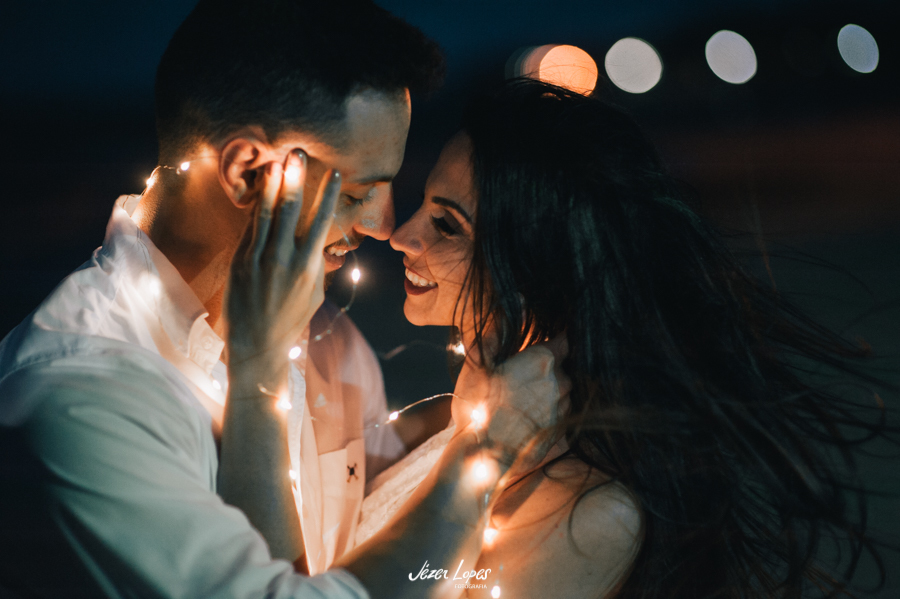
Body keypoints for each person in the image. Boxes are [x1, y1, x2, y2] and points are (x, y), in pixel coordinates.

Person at [0, 1, 569, 597]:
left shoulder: (330, 346)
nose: (384, 225)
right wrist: (487, 451)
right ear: (248, 171)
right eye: (358, 192)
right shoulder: (81, 397)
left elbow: (370, 510)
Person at [370, 78, 893, 598]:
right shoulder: (435, 423)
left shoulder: (589, 511)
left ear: (538, 263)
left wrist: (486, 454)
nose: (402, 235)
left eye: (446, 224)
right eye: (422, 204)